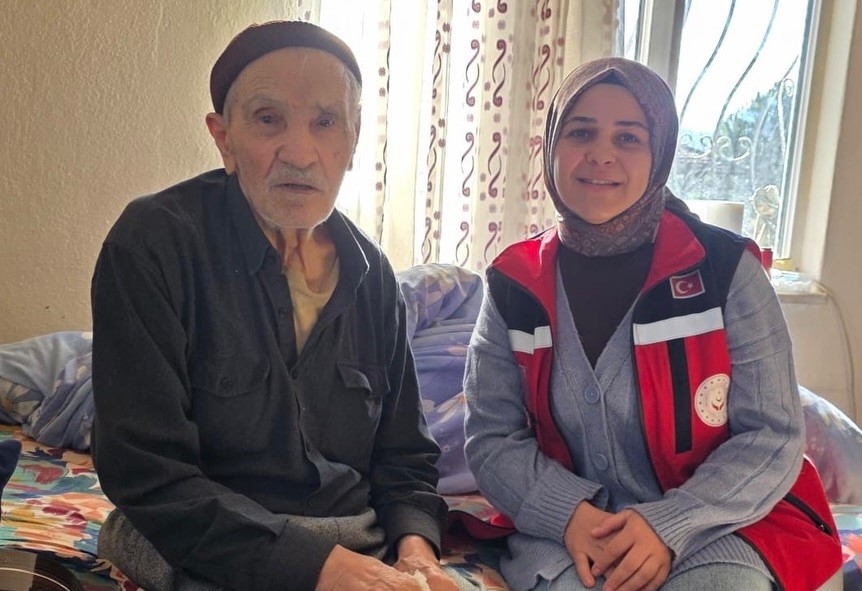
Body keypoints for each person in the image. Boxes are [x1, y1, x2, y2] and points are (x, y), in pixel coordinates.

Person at [91, 20, 461, 591]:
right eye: (268, 119)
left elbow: (405, 457)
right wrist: (324, 570)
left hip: (350, 534)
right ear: (223, 138)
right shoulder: (153, 244)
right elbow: (148, 473)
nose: (300, 152)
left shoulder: (374, 278)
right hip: (202, 540)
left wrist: (417, 555)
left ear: (353, 139)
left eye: (325, 122)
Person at [463, 57, 842, 591]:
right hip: (569, 531)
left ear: (659, 153)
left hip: (721, 523)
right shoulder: (512, 284)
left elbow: (772, 433)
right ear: (551, 147)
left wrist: (670, 523)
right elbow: (492, 438)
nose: (602, 154)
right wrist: (569, 515)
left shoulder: (725, 272)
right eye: (581, 132)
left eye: (628, 137)